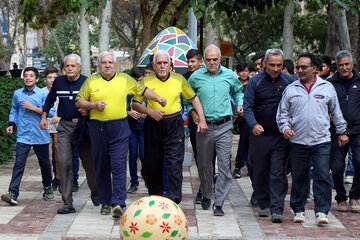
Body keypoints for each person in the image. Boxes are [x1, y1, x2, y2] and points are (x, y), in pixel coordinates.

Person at [75, 51, 166, 218]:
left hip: (119, 127)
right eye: (104, 62)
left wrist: (158, 98)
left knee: (118, 165)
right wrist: (94, 105)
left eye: (110, 62)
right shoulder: (91, 81)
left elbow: (143, 90)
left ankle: (118, 202)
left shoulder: (125, 79)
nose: (108, 65)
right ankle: (105, 202)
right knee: (101, 166)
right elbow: (79, 101)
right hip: (98, 128)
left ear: (115, 64)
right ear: (99, 64)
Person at [276, 52, 348, 225]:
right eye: (298, 67)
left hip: (321, 140)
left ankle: (322, 212)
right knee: (299, 176)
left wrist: (342, 132)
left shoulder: (327, 87)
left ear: (314, 69)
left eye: (303, 67)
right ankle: (298, 209)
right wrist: (285, 128)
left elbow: (336, 112)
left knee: (322, 175)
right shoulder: (291, 89)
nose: (299, 70)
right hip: (297, 141)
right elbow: (282, 114)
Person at [132, 49, 207, 205]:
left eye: (165, 63)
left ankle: (174, 200)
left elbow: (194, 99)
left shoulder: (179, 79)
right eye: (158, 63)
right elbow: (134, 104)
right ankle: (156, 198)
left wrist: (202, 120)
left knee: (174, 163)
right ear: (153, 65)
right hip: (153, 124)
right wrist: (149, 111)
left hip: (174, 124)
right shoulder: (146, 81)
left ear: (170, 64)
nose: (162, 66)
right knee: (152, 164)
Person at [185, 44, 243, 216]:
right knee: (203, 165)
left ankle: (219, 203)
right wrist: (192, 112)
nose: (212, 63)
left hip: (225, 126)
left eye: (215, 59)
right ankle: (206, 193)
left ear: (220, 59)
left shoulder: (229, 75)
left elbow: (238, 91)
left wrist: (239, 103)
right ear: (204, 60)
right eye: (209, 60)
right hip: (204, 127)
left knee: (225, 165)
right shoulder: (195, 77)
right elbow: (187, 97)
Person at [40, 54, 99, 214]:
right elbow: (50, 100)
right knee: (64, 163)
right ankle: (67, 202)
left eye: (73, 66)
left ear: (79, 67)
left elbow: (95, 102)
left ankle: (95, 189)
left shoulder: (88, 82)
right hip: (64, 126)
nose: (70, 68)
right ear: (64, 68)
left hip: (83, 126)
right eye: (68, 66)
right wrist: (44, 116)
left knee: (89, 163)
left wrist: (88, 110)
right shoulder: (59, 81)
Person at [244, 49, 294, 223]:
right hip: (260, 135)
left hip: (281, 136)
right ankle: (263, 204)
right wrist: (254, 124)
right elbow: (248, 107)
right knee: (260, 171)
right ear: (264, 63)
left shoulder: (289, 81)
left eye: (279, 65)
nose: (275, 68)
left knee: (278, 172)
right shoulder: (255, 82)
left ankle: (277, 208)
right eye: (272, 65)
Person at [1, 67, 55, 206]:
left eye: (31, 76)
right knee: (18, 164)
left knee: (45, 165)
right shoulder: (18, 94)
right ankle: (13, 192)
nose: (28, 78)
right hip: (23, 135)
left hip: (40, 135)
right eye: (26, 76)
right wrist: (12, 123)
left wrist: (33, 108)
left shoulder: (43, 94)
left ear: (37, 79)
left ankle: (48, 187)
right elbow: (14, 110)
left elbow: (50, 112)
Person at [328, 50, 360, 213]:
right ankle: (341, 197)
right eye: (341, 65)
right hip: (336, 132)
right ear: (337, 66)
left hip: (358, 131)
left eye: (347, 64)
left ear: (352, 64)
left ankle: (355, 196)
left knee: (359, 163)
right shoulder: (329, 83)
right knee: (337, 167)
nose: (344, 67)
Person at [127, 67, 146, 194]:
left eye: (139, 80)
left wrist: (146, 113)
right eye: (135, 80)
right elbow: (119, 106)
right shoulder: (127, 92)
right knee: (132, 156)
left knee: (144, 155)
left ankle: (148, 177)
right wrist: (129, 113)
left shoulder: (147, 91)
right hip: (131, 127)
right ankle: (134, 181)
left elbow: (153, 106)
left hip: (145, 127)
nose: (137, 83)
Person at [42, 66, 61, 191]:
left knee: (59, 156)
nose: (52, 80)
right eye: (49, 77)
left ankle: (59, 178)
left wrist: (59, 117)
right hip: (45, 128)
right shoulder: (42, 92)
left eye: (55, 77)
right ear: (45, 79)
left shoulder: (61, 91)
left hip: (60, 127)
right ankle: (49, 181)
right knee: (47, 157)